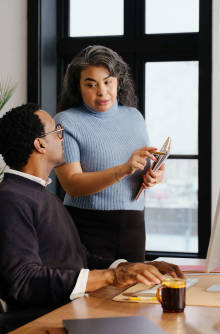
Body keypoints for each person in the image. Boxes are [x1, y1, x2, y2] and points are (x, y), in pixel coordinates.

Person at [0, 103, 183, 312]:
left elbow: (80, 259)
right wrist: (110, 277)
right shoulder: (11, 201)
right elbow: (24, 282)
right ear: (40, 144)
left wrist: (130, 268)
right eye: (57, 132)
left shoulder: (41, 196)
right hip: (47, 321)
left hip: (72, 309)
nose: (62, 138)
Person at [55, 45, 165, 263]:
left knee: (131, 295)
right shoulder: (65, 122)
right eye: (91, 84)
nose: (102, 91)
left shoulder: (134, 116)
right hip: (87, 226)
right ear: (78, 87)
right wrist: (124, 169)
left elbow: (147, 167)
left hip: (134, 224)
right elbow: (72, 185)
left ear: (118, 81)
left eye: (108, 82)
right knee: (89, 296)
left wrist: (155, 176)